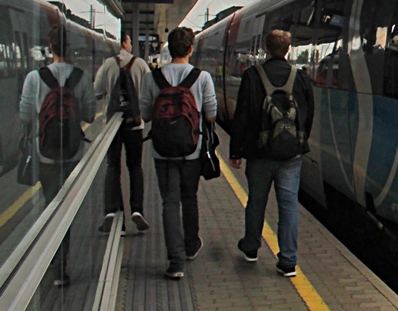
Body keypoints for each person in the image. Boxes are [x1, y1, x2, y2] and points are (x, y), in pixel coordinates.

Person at [230, 29, 314, 277]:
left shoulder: (252, 76)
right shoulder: (300, 77)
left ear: (266, 49)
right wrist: (300, 142)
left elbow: (242, 116)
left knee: (256, 201)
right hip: (290, 156)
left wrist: (236, 150)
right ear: (287, 49)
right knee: (288, 206)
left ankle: (251, 248)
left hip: (259, 154)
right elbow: (308, 113)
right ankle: (288, 261)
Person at [19, 24, 96, 286]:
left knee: (50, 205)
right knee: (65, 208)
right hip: (73, 153)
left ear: (50, 48)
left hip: (45, 154)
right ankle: (60, 263)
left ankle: (53, 259)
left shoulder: (33, 78)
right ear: (70, 48)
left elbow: (25, 116)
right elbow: (88, 114)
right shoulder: (82, 77)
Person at [140, 27, 216, 280]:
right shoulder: (202, 77)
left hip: (162, 152)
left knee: (169, 203)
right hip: (191, 150)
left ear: (168, 48)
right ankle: (192, 245)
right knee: (189, 197)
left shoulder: (153, 78)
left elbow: (145, 114)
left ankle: (175, 262)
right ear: (190, 49)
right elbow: (211, 114)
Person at [93, 31, 151, 234]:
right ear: (125, 42)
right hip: (135, 124)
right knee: (135, 166)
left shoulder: (108, 64)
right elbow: (148, 94)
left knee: (112, 166)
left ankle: (112, 212)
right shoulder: (141, 65)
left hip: (112, 127)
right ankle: (137, 209)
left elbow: (97, 92)